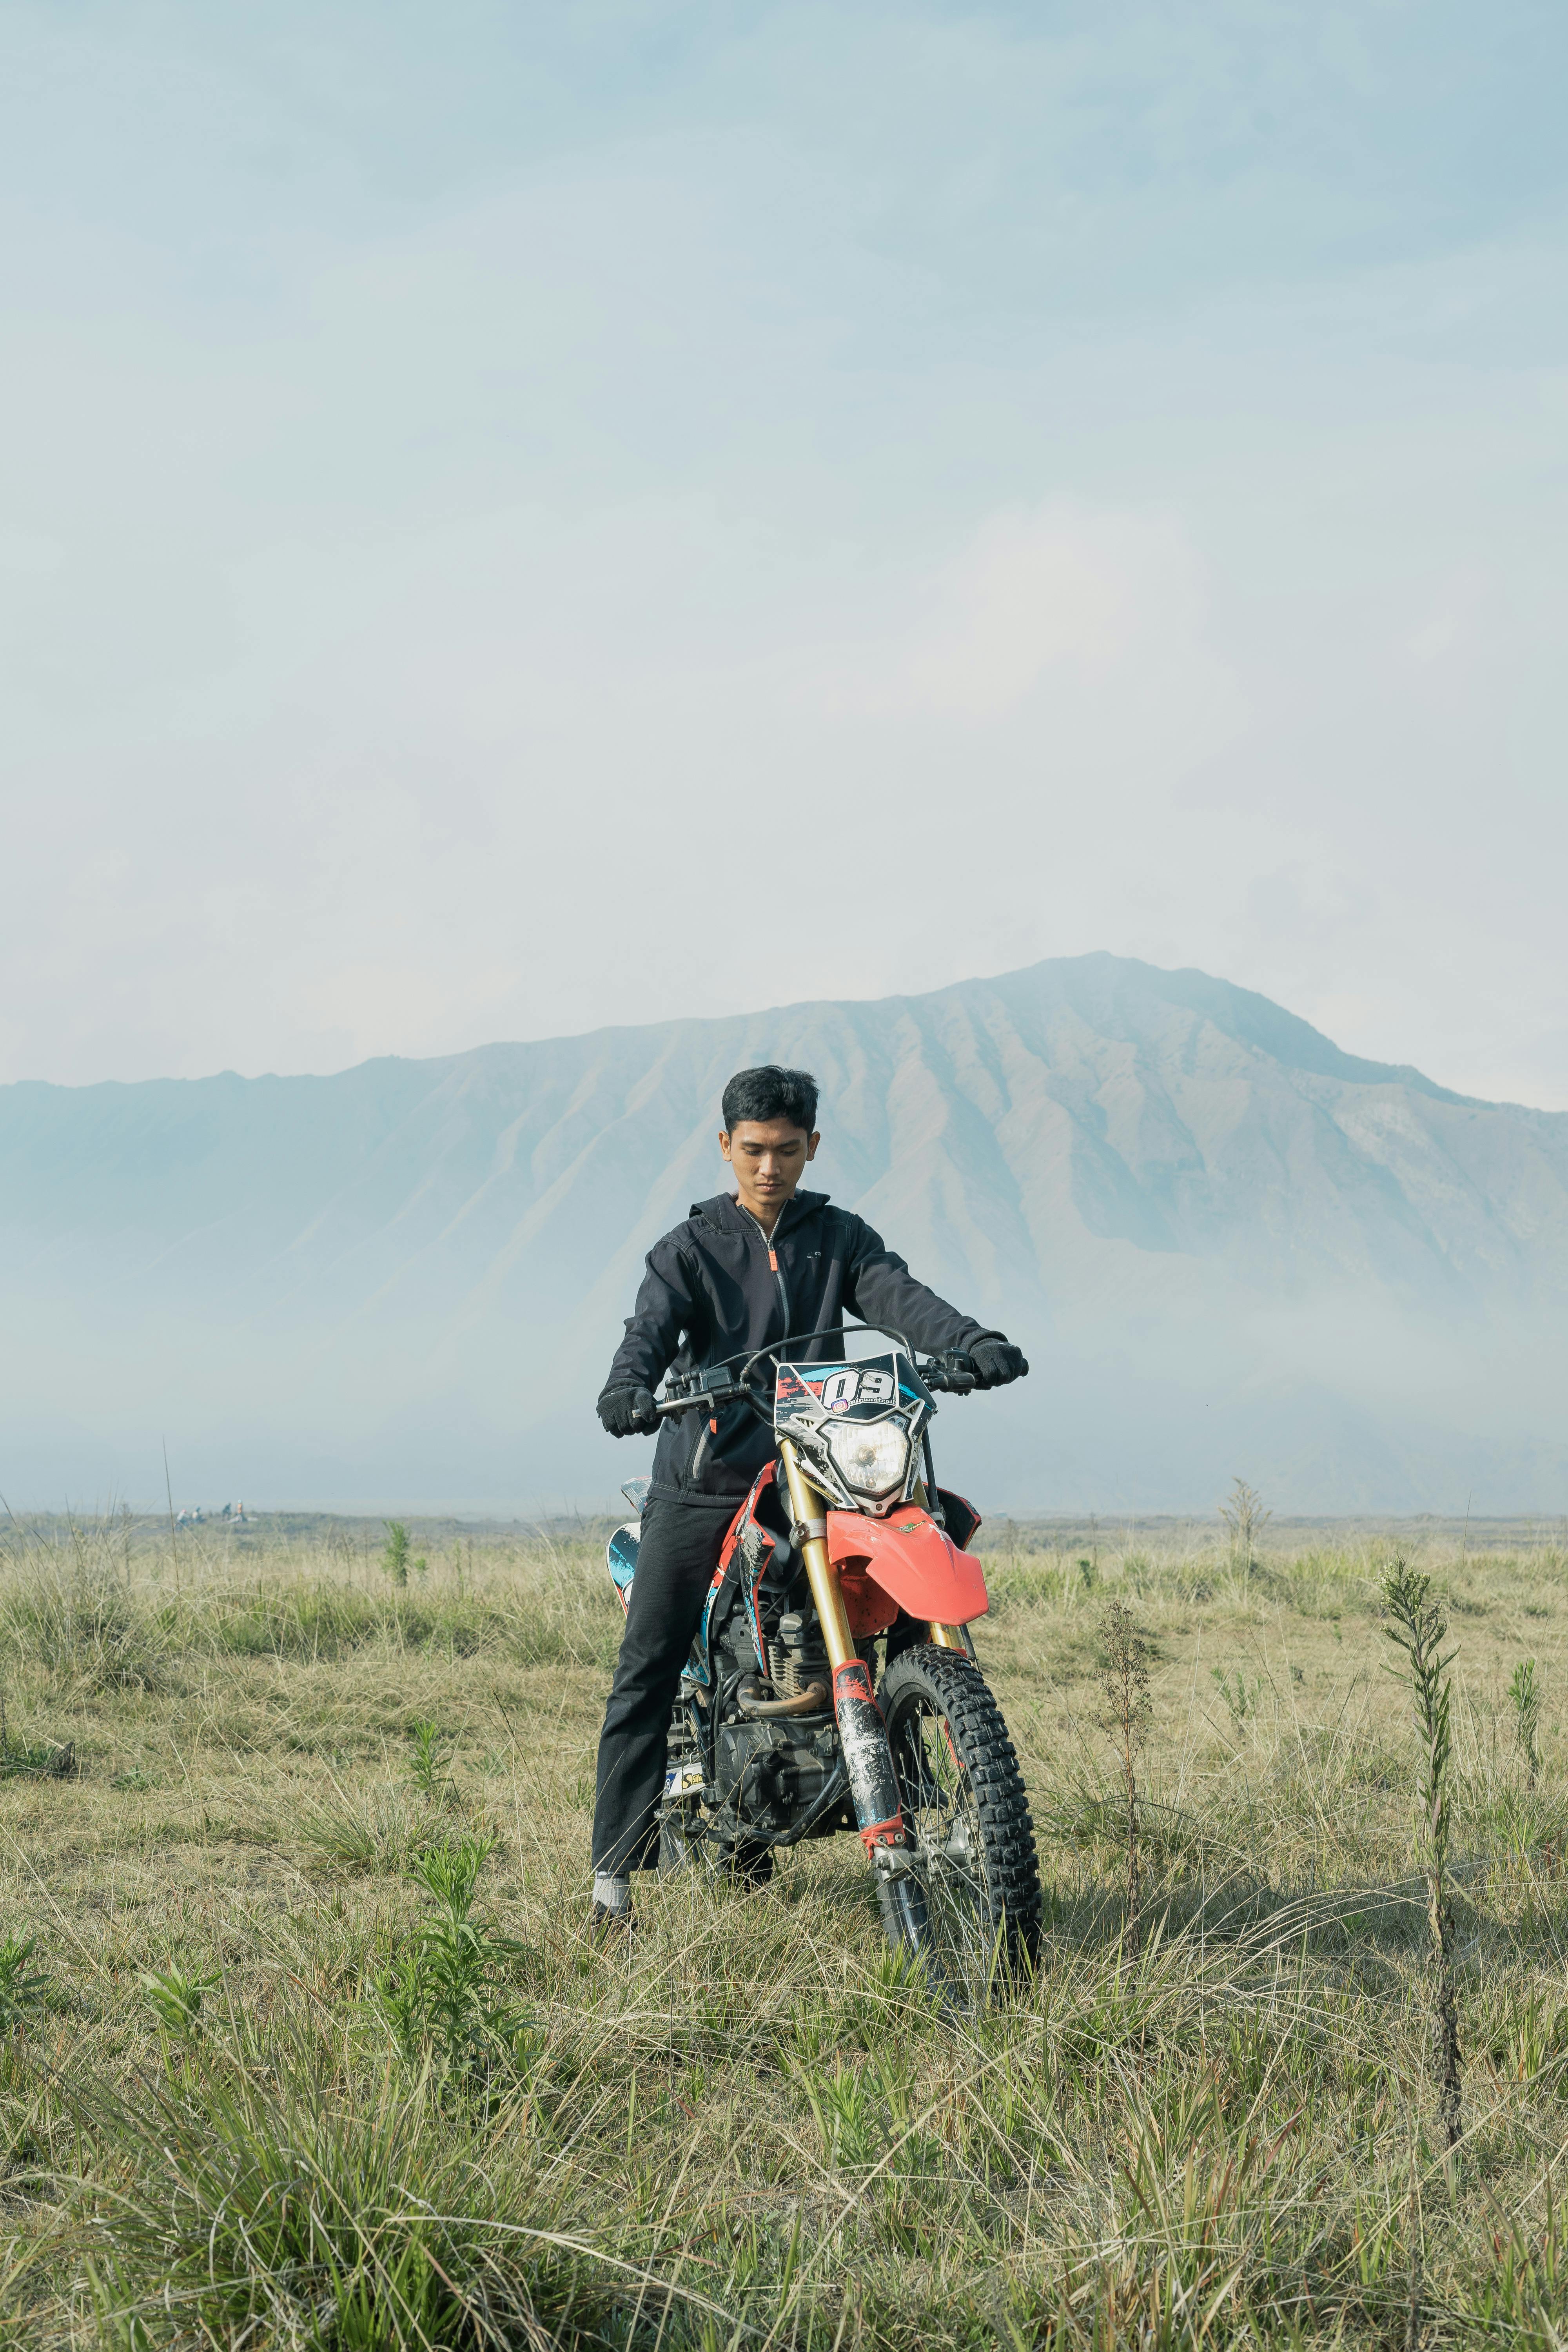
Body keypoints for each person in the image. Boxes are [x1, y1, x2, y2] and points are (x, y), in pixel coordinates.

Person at [589, 1063, 1029, 1929]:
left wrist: (970, 1341)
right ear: (725, 1148)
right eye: (752, 1150)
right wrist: (628, 1389)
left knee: (916, 1559)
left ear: (811, 1148)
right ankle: (611, 1882)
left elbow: (900, 1300)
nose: (768, 1167)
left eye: (786, 1150)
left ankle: (914, 1767)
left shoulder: (839, 1238)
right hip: (707, 1477)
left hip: (822, 1466)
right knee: (646, 1660)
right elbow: (646, 1334)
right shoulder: (688, 1250)